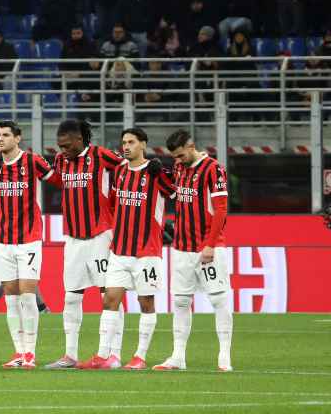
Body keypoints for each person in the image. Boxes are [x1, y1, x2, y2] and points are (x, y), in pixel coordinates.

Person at [84, 127, 175, 371]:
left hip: (147, 252)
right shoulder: (121, 171)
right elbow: (114, 203)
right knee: (109, 300)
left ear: (143, 144)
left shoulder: (156, 172)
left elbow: (174, 191)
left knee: (146, 303)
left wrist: (163, 173)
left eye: (131, 142)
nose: (126, 146)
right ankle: (105, 355)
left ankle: (140, 356)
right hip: (120, 250)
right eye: (123, 142)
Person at [0, 120, 58, 368]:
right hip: (3, 241)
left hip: (28, 240)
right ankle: (18, 352)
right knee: (10, 297)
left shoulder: (32, 161)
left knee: (27, 294)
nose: (0, 139)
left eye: (6, 135)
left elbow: (58, 181)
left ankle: (30, 353)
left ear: (18, 138)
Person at [45, 119, 125, 370]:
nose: (62, 150)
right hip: (72, 238)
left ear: (79, 139)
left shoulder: (101, 156)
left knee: (109, 295)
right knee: (71, 297)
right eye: (59, 146)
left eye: (67, 145)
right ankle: (69, 355)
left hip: (100, 236)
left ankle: (113, 354)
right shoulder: (61, 161)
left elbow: (131, 169)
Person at [154, 129, 233, 372]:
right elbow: (177, 195)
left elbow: (221, 209)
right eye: (174, 157)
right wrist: (160, 175)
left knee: (219, 298)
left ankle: (224, 356)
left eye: (179, 155)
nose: (177, 161)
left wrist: (210, 243)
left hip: (207, 247)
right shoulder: (179, 168)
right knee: (180, 301)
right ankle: (178, 356)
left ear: (191, 147)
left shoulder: (213, 168)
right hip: (181, 247)